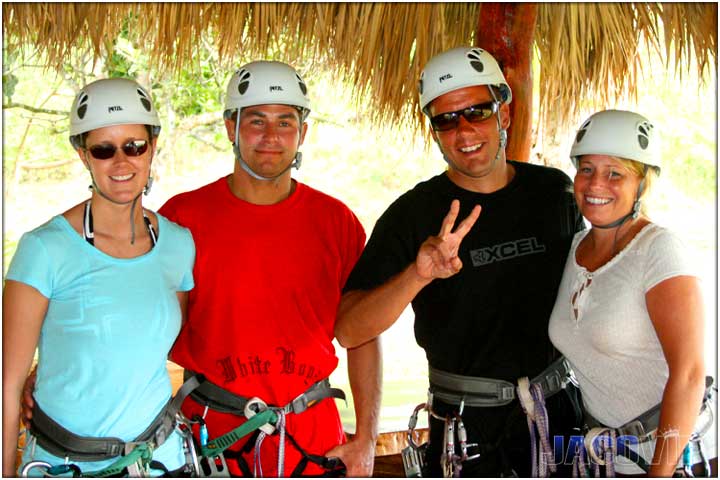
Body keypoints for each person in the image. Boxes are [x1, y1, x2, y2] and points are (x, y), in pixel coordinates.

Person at [335, 45, 585, 477]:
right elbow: (350, 328)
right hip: (466, 435)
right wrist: (418, 274)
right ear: (433, 131)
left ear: (504, 114)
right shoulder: (412, 214)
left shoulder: (553, 193)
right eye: (446, 119)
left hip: (558, 418)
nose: (464, 130)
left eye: (478, 111)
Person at [157, 60, 381, 477]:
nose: (272, 137)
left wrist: (366, 438)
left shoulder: (336, 222)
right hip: (212, 438)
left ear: (303, 133)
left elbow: (363, 334)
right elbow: (149, 326)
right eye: (256, 121)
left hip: (314, 437)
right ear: (231, 127)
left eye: (286, 122)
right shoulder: (181, 219)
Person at [3, 78, 196, 477]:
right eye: (103, 150)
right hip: (65, 464)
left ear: (152, 147)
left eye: (134, 146)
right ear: (82, 155)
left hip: (160, 462)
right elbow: (7, 385)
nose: (122, 163)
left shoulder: (178, 244)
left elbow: (152, 343)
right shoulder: (45, 249)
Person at [548, 109, 716, 476]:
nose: (595, 185)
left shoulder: (658, 250)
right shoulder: (573, 247)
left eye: (615, 174)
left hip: (680, 460)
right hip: (611, 458)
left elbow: (688, 373)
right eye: (587, 169)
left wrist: (660, 473)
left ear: (642, 184)